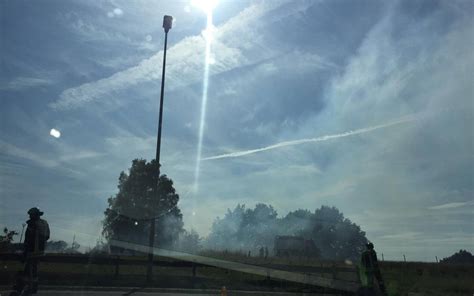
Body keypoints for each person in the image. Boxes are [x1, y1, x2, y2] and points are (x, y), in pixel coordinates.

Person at [22, 207, 50, 293]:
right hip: (41, 250)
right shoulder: (44, 223)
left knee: (30, 269)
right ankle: (33, 286)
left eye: (31, 215)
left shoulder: (32, 224)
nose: (30, 216)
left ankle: (30, 287)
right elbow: (47, 236)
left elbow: (28, 239)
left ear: (34, 215)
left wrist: (25, 251)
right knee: (34, 268)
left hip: (32, 250)